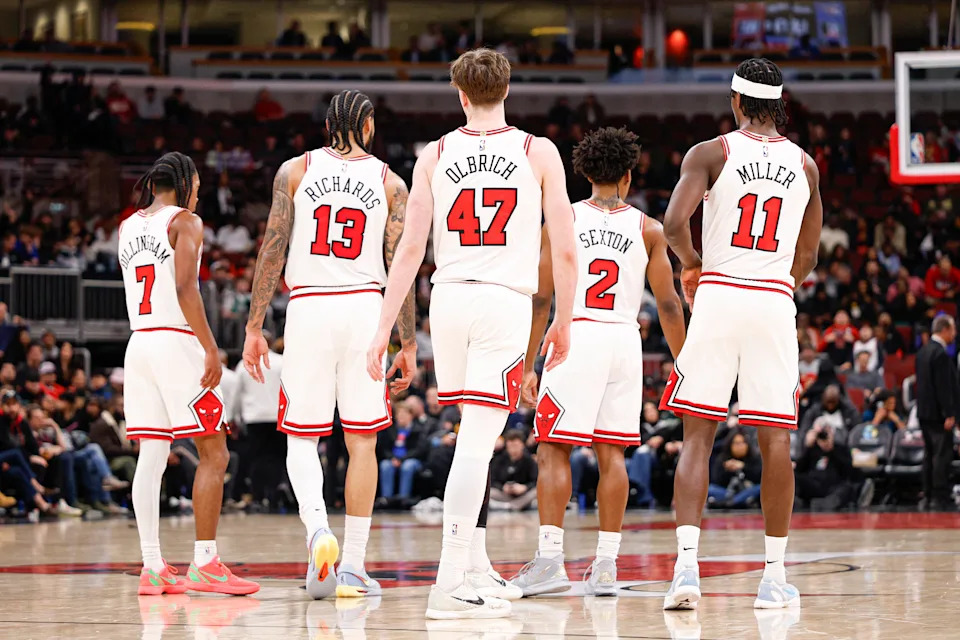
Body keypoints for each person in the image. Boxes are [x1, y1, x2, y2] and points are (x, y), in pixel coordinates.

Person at [364, 48, 578, 619]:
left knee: (471, 437)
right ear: (506, 91)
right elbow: (563, 246)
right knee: (478, 442)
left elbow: (409, 249)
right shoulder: (538, 151)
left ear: (460, 95)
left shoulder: (434, 153)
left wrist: (385, 329)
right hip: (502, 303)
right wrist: (563, 317)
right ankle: (447, 581)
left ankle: (477, 564)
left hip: (449, 300)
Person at [659, 58, 822, 611]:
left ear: (734, 101)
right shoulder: (806, 165)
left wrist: (691, 265)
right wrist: (779, 284)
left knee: (698, 437)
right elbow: (809, 254)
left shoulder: (710, 152)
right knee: (776, 441)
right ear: (779, 104)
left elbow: (674, 225)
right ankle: (773, 577)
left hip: (719, 293)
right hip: (773, 301)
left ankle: (685, 572)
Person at [242, 90, 416, 600]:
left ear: (325, 125)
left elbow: (271, 251)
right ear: (367, 127)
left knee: (302, 438)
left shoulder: (293, 172)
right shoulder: (391, 183)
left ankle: (319, 532)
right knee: (363, 442)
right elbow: (399, 269)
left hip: (309, 309)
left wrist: (255, 327)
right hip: (366, 310)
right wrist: (405, 340)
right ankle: (356, 567)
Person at [510, 127, 685, 598]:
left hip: (576, 334)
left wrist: (529, 364)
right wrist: (684, 362)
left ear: (583, 172)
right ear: (628, 177)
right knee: (613, 454)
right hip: (624, 341)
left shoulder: (562, 219)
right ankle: (606, 565)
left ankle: (550, 560)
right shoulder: (649, 228)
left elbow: (541, 297)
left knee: (553, 449)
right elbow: (668, 306)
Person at [121, 152, 259, 596]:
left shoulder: (126, 227)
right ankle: (205, 563)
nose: (198, 195)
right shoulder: (185, 222)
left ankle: (152, 566)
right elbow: (184, 288)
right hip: (174, 341)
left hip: (138, 343)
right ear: (183, 184)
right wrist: (210, 346)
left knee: (152, 454)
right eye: (196, 187)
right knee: (215, 451)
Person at [915, 315, 960, 510]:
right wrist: (949, 413)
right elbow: (943, 387)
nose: (955, 333)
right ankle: (939, 495)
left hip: (923, 412)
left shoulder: (923, 352)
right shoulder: (940, 354)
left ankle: (927, 492)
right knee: (942, 455)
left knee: (929, 454)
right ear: (945, 330)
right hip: (938, 415)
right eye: (953, 329)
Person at [708, 428, 762, 508]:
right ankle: (734, 502)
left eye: (742, 443)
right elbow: (716, 480)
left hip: (747, 491)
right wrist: (728, 470)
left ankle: (730, 503)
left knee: (759, 488)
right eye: (736, 443)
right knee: (711, 489)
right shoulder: (722, 458)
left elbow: (758, 478)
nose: (739, 447)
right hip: (727, 492)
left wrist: (743, 467)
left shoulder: (754, 457)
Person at [489, 430, 537, 510]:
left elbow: (535, 481)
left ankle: (512, 506)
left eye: (515, 445)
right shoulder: (499, 460)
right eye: (510, 446)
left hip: (523, 494)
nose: (513, 449)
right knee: (490, 492)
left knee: (536, 492)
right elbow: (492, 480)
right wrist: (502, 487)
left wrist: (525, 487)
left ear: (522, 445)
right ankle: (514, 505)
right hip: (504, 494)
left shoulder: (529, 461)